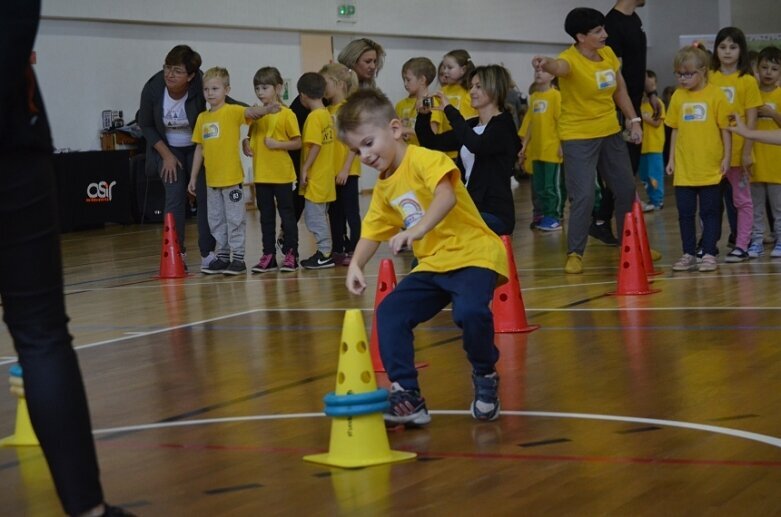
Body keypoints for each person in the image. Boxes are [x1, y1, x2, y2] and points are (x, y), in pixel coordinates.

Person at [1, 2, 132, 515]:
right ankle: (87, 509)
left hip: (16, 148)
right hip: (13, 149)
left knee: (42, 337)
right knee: (41, 335)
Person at [337, 89, 509, 425]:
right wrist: (356, 264)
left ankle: (485, 374)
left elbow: (445, 198)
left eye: (369, 143)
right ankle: (408, 395)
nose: (365, 155)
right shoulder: (385, 186)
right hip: (432, 264)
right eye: (356, 150)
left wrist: (415, 231)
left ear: (396, 129)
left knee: (471, 312)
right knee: (390, 312)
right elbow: (372, 231)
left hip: (473, 252)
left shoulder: (426, 159)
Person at [532, 7, 642, 274]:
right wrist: (544, 63)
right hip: (578, 137)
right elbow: (558, 67)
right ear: (581, 36)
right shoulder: (568, 60)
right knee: (584, 195)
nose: (605, 34)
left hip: (610, 132)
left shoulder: (607, 55)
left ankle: (632, 246)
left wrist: (634, 120)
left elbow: (621, 90)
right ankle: (575, 252)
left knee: (626, 189)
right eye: (597, 31)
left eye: (603, 28)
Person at [417, 64, 520, 236]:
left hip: (495, 213)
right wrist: (423, 115)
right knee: (431, 228)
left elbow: (477, 145)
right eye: (471, 86)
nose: (472, 91)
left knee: (444, 230)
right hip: (469, 207)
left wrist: (450, 111)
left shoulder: (503, 125)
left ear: (495, 89)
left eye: (478, 86)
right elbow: (432, 143)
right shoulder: (471, 125)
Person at [139, 45, 217, 271]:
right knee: (174, 198)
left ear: (191, 76)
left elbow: (224, 102)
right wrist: (166, 156)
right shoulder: (153, 88)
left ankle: (207, 253)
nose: (169, 74)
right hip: (167, 148)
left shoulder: (201, 87)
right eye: (167, 68)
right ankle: (177, 251)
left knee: (203, 195)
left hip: (196, 148)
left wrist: (252, 111)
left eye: (177, 70)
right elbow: (145, 124)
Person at [590, 0, 659, 245]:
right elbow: (614, 74)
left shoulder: (635, 20)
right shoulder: (613, 24)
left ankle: (604, 220)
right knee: (622, 169)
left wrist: (650, 93)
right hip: (620, 109)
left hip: (635, 104)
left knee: (628, 168)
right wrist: (627, 114)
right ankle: (602, 221)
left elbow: (636, 64)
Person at [187, 67, 269, 275]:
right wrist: (193, 177)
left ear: (226, 89)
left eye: (215, 88)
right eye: (206, 89)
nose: (210, 93)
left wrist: (267, 109)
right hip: (212, 181)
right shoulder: (202, 119)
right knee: (215, 219)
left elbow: (250, 113)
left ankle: (238, 258)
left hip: (231, 179)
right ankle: (223, 255)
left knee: (235, 218)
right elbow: (199, 148)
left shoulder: (232, 111)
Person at [666, 46, 732, 273]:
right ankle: (688, 253)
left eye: (688, 74)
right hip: (685, 168)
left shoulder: (716, 95)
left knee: (710, 212)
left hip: (710, 167)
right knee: (685, 214)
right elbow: (674, 129)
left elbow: (725, 129)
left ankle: (709, 253)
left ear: (703, 71)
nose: (683, 79)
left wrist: (727, 157)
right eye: (679, 74)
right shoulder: (677, 96)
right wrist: (671, 159)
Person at [709, 27, 763, 263]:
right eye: (722, 47)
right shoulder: (709, 77)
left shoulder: (748, 81)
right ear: (716, 50)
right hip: (712, 151)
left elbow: (751, 120)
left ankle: (742, 244)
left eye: (733, 47)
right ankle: (708, 245)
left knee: (742, 200)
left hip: (739, 151)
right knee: (710, 201)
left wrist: (748, 151)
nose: (727, 52)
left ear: (741, 50)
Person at [244, 67, 302, 273]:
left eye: (265, 87)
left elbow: (298, 142)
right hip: (261, 175)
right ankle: (268, 255)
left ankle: (291, 254)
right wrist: (245, 142)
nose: (260, 92)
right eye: (257, 88)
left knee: (287, 215)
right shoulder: (257, 115)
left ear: (278, 88)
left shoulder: (287, 114)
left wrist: (277, 145)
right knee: (266, 216)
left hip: (282, 174)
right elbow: (251, 137)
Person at [736, 47, 781, 258]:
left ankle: (780, 239)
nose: (769, 72)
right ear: (757, 68)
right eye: (764, 67)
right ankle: (756, 241)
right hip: (754, 158)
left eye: (774, 68)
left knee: (778, 206)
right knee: (755, 206)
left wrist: (773, 114)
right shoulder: (752, 92)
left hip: (776, 161)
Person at [320, 63, 361, 266]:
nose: (322, 88)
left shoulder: (349, 109)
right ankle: (338, 249)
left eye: (324, 83)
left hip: (348, 171)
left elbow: (355, 142)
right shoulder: (325, 110)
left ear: (338, 84)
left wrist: (346, 168)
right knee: (334, 213)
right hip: (331, 171)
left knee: (351, 212)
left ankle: (356, 249)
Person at [297, 72, 337, 269]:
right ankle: (325, 251)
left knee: (314, 218)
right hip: (326, 176)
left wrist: (304, 168)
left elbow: (315, 145)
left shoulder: (314, 118)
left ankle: (324, 253)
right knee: (318, 216)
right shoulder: (327, 116)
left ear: (303, 95)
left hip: (317, 177)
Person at [519, 67, 563, 231]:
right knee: (539, 187)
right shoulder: (535, 97)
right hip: (536, 151)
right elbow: (529, 124)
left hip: (551, 151)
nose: (538, 73)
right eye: (536, 70)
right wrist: (523, 146)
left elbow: (561, 122)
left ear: (552, 75)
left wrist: (561, 145)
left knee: (551, 187)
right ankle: (542, 214)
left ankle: (554, 217)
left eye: (543, 71)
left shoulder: (556, 96)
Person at [395, 57, 444, 146]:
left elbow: (432, 133)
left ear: (422, 80)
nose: (405, 84)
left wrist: (407, 130)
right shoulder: (401, 104)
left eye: (408, 80)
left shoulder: (431, 103)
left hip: (424, 155)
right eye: (404, 79)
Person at [638, 70, 666, 211]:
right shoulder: (639, 105)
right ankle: (652, 198)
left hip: (654, 146)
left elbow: (657, 122)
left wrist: (643, 116)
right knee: (644, 176)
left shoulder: (658, 103)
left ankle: (658, 200)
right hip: (642, 147)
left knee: (655, 175)